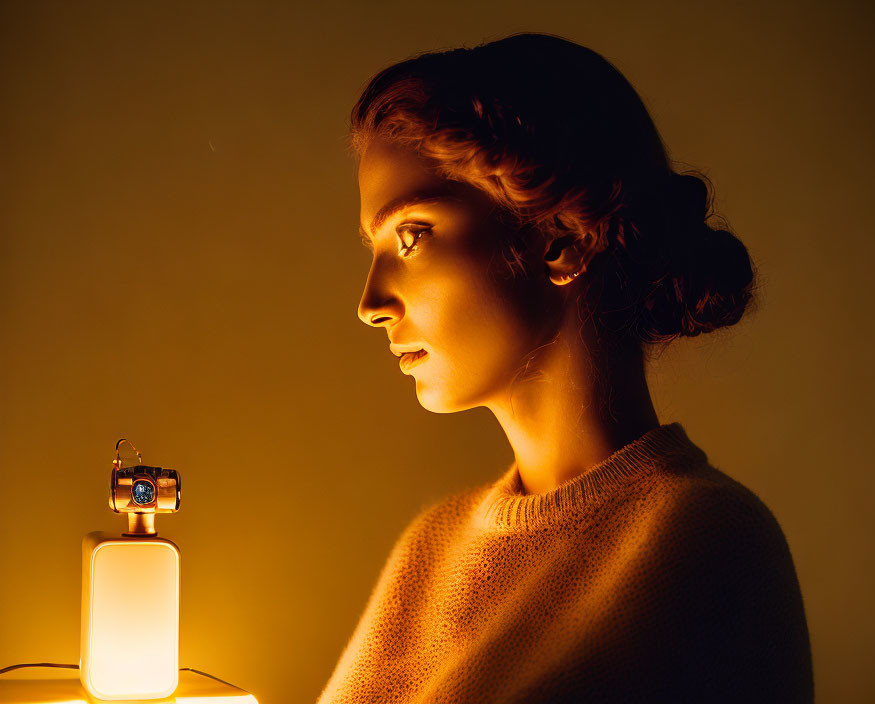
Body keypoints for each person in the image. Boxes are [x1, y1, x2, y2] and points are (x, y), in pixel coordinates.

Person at [317, 32, 813, 703]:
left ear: (561, 238)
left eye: (412, 235)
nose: (369, 303)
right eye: (375, 246)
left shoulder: (708, 541)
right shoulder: (430, 548)